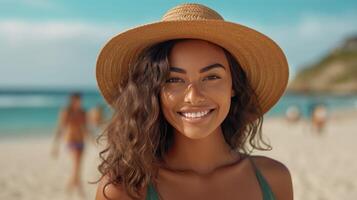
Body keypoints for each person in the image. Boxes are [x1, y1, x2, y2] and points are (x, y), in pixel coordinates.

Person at [95, 3, 293, 200]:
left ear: (234, 85)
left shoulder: (274, 178)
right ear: (154, 91)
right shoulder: (122, 190)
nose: (193, 96)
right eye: (173, 80)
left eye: (211, 77)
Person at [52, 92, 91, 197]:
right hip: (71, 141)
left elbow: (86, 128)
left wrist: (92, 139)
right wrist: (55, 146)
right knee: (75, 167)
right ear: (72, 100)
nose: (80, 102)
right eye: (78, 100)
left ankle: (70, 189)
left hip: (81, 142)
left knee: (78, 168)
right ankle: (78, 190)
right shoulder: (66, 112)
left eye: (80, 100)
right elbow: (60, 128)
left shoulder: (83, 112)